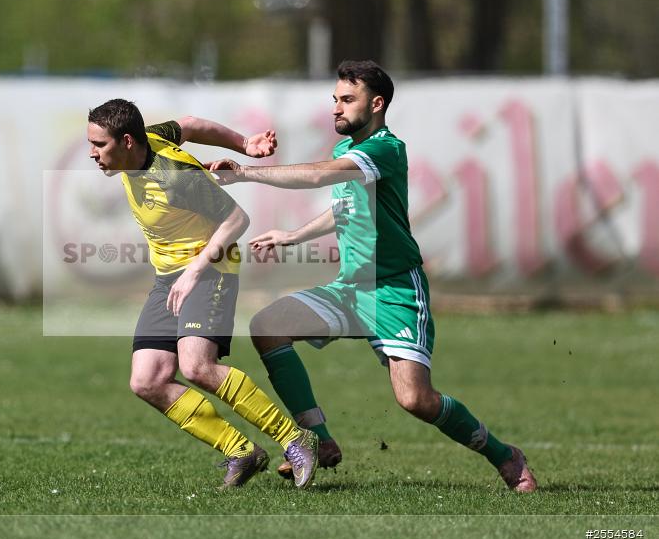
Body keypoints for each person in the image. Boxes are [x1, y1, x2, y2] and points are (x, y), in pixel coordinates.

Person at [205, 61, 537, 492]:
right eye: (334, 101)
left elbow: (319, 175)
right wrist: (294, 235)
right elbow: (345, 207)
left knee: (415, 400)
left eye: (347, 100)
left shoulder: (385, 149)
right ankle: (319, 440)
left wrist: (246, 172)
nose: (336, 109)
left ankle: (504, 455)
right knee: (268, 327)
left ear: (376, 104)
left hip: (395, 289)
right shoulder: (348, 153)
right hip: (350, 288)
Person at [86, 99, 319, 489]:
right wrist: (246, 144)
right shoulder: (149, 138)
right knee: (147, 380)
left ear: (126, 141)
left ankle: (296, 440)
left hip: (211, 269)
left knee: (197, 366)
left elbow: (236, 219)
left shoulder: (175, 177)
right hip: (169, 278)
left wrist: (195, 269)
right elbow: (191, 125)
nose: (92, 153)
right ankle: (241, 450)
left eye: (99, 144)